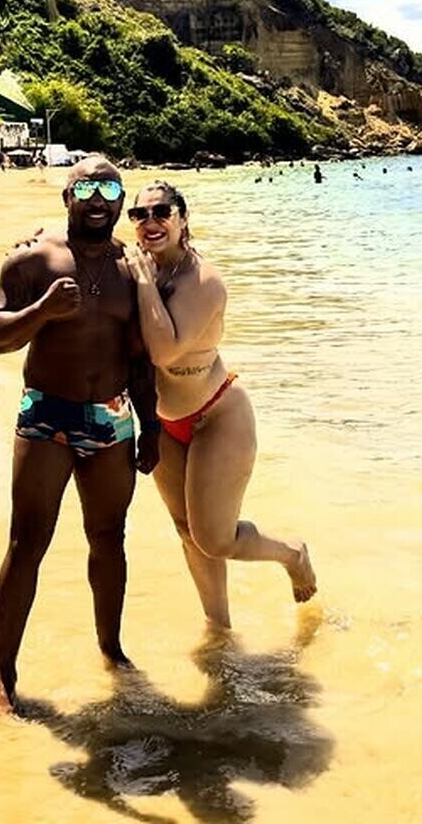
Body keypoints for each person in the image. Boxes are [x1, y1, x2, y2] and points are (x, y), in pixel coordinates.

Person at [0, 155, 158, 713]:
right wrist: (42, 310)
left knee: (109, 539)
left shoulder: (133, 268)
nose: (98, 199)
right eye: (85, 189)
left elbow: (140, 359)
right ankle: (4, 673)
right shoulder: (32, 258)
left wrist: (151, 427)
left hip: (112, 418)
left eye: (109, 189)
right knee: (27, 543)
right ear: (66, 197)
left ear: (121, 199)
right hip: (46, 416)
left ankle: (112, 651)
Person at [124, 180, 316, 631]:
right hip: (163, 421)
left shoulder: (203, 281)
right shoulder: (134, 265)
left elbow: (164, 352)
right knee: (186, 530)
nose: (150, 222)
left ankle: (292, 553)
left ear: (183, 218)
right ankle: (219, 627)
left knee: (215, 537)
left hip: (217, 414)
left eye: (161, 212)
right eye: (139, 215)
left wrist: (143, 281)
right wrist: (34, 242)